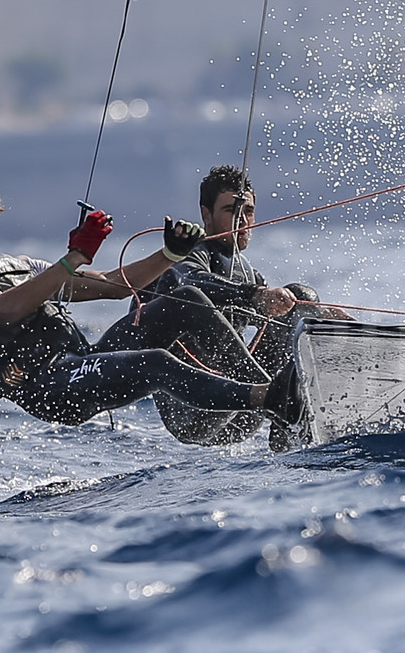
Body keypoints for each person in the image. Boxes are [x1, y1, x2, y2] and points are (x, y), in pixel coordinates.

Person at [0, 165, 304, 432]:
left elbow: (115, 285)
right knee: (156, 362)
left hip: (82, 361)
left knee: (185, 298)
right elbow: (6, 308)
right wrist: (75, 256)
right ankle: (270, 397)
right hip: (47, 387)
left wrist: (170, 254)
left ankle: (276, 389)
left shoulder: (24, 266)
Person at [134, 164, 348, 447]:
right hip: (194, 412)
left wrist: (321, 317)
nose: (242, 221)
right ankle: (284, 407)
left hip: (241, 413)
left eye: (248, 211)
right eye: (230, 211)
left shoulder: (247, 272)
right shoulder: (188, 256)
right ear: (206, 214)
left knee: (300, 298)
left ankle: (295, 438)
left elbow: (278, 320)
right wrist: (254, 295)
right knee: (199, 298)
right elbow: (191, 280)